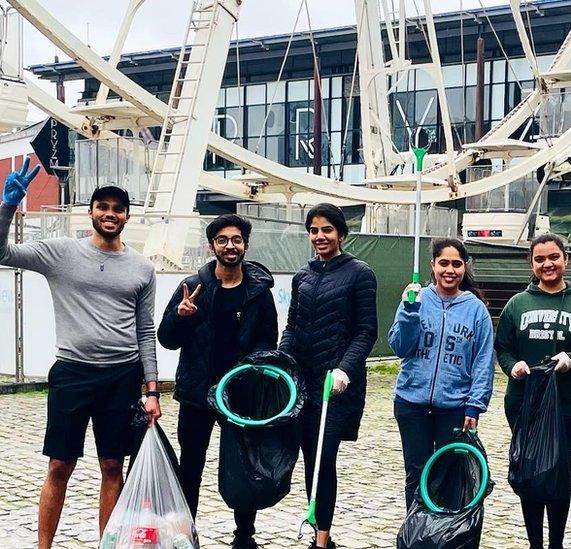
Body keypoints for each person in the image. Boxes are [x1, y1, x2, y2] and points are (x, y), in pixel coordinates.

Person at [0, 162, 160, 549]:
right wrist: (7, 208)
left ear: (127, 216)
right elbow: (2, 252)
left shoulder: (142, 267)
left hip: (121, 377)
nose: (110, 214)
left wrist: (152, 389)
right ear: (90, 212)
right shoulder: (61, 253)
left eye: (118, 208)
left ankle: (108, 544)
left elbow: (145, 331)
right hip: (72, 373)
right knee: (59, 465)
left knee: (112, 466)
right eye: (102, 206)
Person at [156, 214, 278, 549]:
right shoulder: (194, 287)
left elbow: (269, 343)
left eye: (236, 239)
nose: (230, 246)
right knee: (190, 466)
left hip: (240, 397)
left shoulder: (258, 292)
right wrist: (180, 318)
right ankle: (186, 533)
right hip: (197, 395)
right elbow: (166, 339)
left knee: (243, 466)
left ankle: (244, 535)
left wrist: (252, 372)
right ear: (212, 246)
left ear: (246, 245)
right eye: (222, 240)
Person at [495, 233, 571, 549]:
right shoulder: (517, 304)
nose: (548, 264)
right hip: (523, 402)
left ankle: (555, 542)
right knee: (530, 469)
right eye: (540, 259)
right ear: (532, 263)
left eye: (554, 257)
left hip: (569, 405)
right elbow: (502, 347)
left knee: (557, 471)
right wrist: (512, 365)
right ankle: (534, 543)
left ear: (565, 259)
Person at [278, 203, 377, 549]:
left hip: (336, 387)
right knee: (310, 456)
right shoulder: (302, 276)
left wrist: (344, 370)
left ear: (341, 233)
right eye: (314, 230)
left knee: (324, 457)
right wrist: (283, 361)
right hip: (303, 384)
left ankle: (320, 539)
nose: (320, 237)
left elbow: (366, 331)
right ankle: (321, 529)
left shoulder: (360, 273)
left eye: (327, 230)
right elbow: (292, 325)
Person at [388, 238, 494, 509]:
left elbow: (483, 360)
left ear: (465, 267)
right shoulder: (415, 299)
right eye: (443, 263)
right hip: (411, 403)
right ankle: (416, 529)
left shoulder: (476, 310)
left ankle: (441, 534)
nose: (450, 270)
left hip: (454, 407)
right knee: (416, 473)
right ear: (432, 265)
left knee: (447, 474)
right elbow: (400, 347)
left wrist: (475, 405)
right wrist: (409, 312)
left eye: (456, 264)